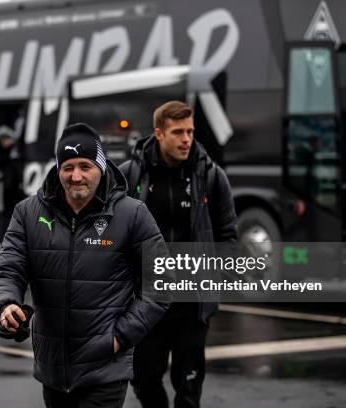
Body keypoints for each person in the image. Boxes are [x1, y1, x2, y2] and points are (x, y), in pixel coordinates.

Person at [0, 123, 168, 408]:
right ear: (58, 169)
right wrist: (6, 304)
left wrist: (120, 337)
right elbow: (8, 269)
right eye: (68, 167)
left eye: (85, 166)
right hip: (52, 371)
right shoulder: (27, 212)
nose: (76, 176)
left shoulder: (132, 214)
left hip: (104, 371)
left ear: (101, 166)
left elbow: (161, 283)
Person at [120, 101, 237, 408]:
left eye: (190, 131)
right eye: (178, 132)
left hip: (191, 304)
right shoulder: (130, 176)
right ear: (159, 134)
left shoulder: (212, 177)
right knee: (144, 380)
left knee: (188, 392)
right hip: (145, 302)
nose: (187, 139)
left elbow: (228, 235)